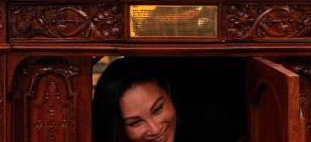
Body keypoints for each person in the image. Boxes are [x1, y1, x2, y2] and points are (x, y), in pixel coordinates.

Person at [92, 58, 244, 142]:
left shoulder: (210, 127)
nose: (155, 129)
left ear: (168, 92)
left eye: (158, 109)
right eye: (135, 122)